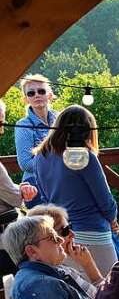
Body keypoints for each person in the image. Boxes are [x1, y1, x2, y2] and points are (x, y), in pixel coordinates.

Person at [31, 104, 119, 274]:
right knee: (108, 288)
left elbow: (45, 198)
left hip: (63, 234)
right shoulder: (82, 155)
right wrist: (113, 219)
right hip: (93, 230)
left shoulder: (40, 157)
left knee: (81, 291)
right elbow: (105, 199)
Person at [26, 204, 103, 299]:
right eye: (65, 230)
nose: (73, 234)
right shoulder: (63, 275)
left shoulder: (59, 269)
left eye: (70, 226)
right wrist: (89, 266)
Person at [13, 74, 55, 207]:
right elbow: (25, 163)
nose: (36, 95)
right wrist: (57, 163)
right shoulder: (23, 125)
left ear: (49, 95)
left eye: (41, 91)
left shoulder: (60, 118)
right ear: (26, 99)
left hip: (61, 181)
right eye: (31, 93)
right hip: (35, 184)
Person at [0, 97, 38, 210]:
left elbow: (6, 189)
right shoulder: (23, 124)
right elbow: (14, 198)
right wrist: (21, 191)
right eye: (0, 124)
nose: (2, 131)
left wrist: (19, 188)